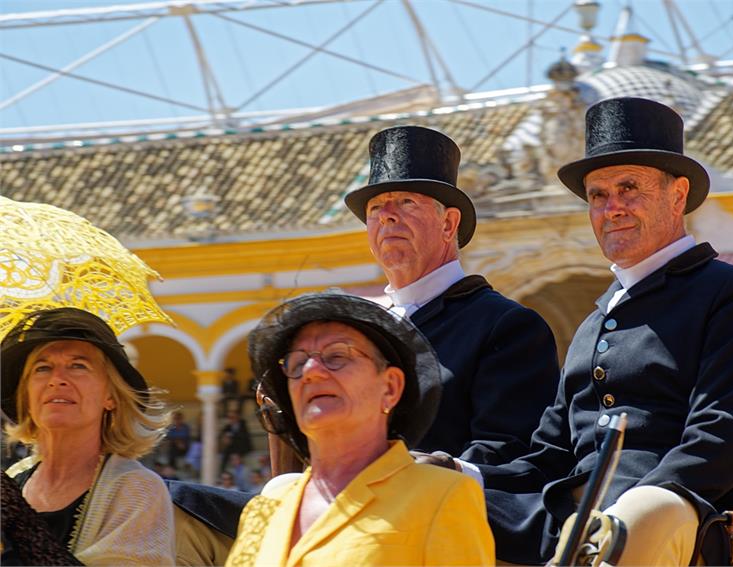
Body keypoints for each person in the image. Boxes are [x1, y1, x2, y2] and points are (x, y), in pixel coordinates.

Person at [446, 97, 733, 565]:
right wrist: (456, 474)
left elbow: (718, 440)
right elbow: (548, 455)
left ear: (678, 195)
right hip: (576, 515)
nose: (613, 208)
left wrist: (624, 511)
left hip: (683, 516)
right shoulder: (594, 321)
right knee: (436, 506)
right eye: (598, 195)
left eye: (629, 188)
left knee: (637, 517)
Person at [225, 291, 495, 566]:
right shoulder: (265, 506)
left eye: (337, 355)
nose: (311, 371)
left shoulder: (443, 496)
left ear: (390, 387)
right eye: (297, 362)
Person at [344, 125, 560, 464]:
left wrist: (432, 471)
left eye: (406, 202)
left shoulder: (505, 327)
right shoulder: (361, 332)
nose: (387, 215)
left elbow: (510, 455)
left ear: (448, 224)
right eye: (375, 208)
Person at [1, 307, 176, 565]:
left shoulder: (137, 489)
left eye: (78, 366)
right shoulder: (14, 480)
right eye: (42, 368)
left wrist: (18, 518)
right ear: (26, 396)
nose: (57, 379)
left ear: (111, 396)